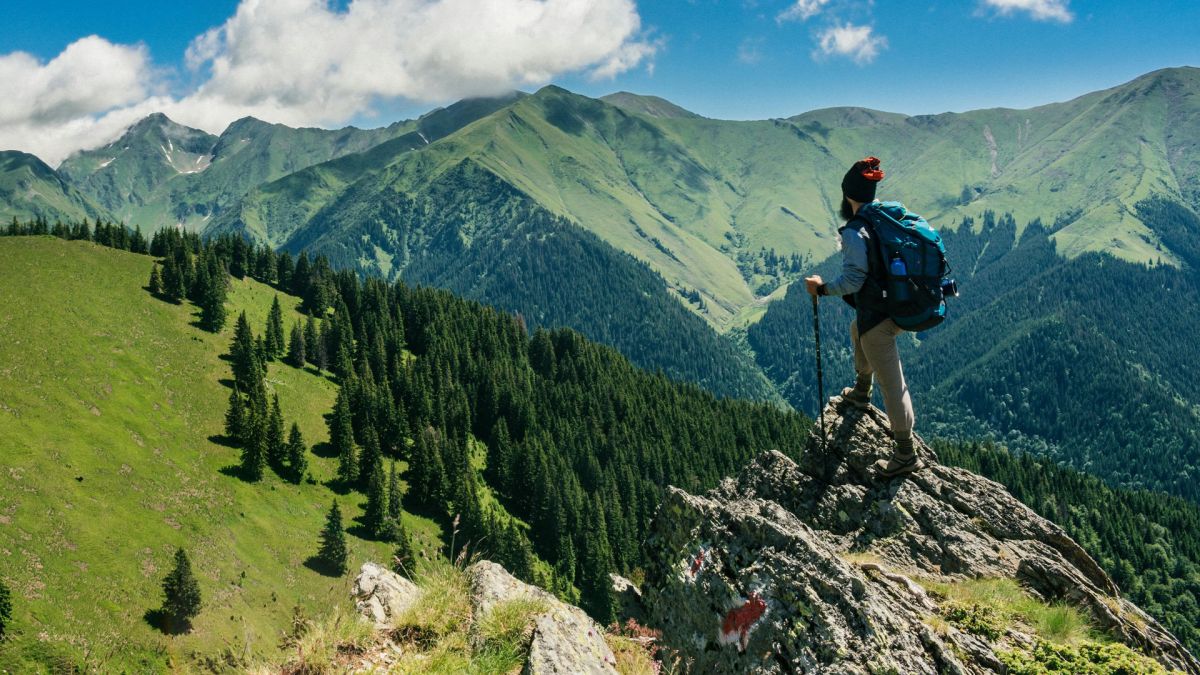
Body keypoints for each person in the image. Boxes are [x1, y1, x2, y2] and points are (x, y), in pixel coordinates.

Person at [805, 156, 920, 478]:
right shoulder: (888, 215)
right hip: (901, 302)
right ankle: (860, 390)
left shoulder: (857, 230)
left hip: (882, 315)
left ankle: (905, 453)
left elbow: (853, 281)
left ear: (848, 196)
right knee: (859, 329)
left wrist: (822, 289)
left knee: (893, 383)